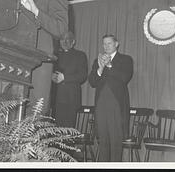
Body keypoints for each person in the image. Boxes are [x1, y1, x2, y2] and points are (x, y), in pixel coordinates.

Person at [20, 0, 68, 115]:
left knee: (33, 118)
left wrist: (36, 11)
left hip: (37, 65)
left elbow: (61, 29)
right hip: (17, 62)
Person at [88, 34, 133, 162]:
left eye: (109, 43)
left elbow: (124, 78)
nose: (106, 46)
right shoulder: (97, 61)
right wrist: (100, 68)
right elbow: (92, 82)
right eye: (104, 44)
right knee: (103, 142)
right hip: (101, 105)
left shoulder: (126, 59)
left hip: (116, 106)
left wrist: (109, 65)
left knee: (116, 142)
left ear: (116, 44)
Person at [51, 31, 88, 127]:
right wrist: (53, 77)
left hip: (71, 98)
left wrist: (64, 77)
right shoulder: (55, 55)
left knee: (68, 130)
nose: (64, 42)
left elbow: (82, 76)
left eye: (67, 39)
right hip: (55, 98)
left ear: (73, 42)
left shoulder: (80, 55)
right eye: (62, 39)